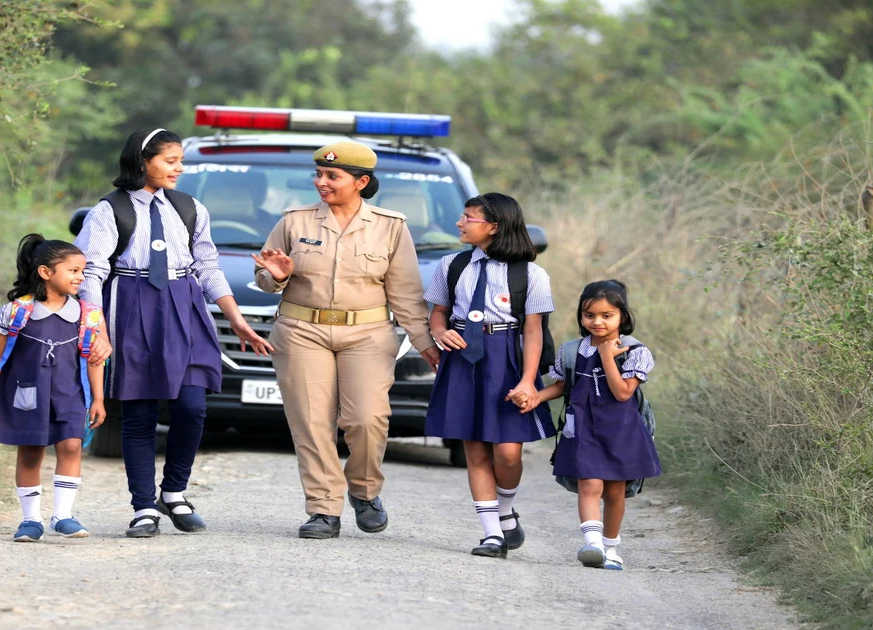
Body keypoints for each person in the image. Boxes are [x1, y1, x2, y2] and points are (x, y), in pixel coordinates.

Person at [74, 128, 273, 538]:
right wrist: (97, 329)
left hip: (185, 305)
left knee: (192, 406)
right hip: (132, 304)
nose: (179, 168)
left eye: (180, 160)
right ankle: (143, 506)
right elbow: (91, 272)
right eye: (170, 160)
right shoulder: (109, 211)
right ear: (141, 161)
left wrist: (235, 318)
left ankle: (174, 491)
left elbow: (208, 266)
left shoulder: (190, 208)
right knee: (140, 413)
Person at [253, 141, 440, 539]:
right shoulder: (294, 221)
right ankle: (323, 509)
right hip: (302, 331)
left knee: (367, 419)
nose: (321, 182)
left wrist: (426, 344)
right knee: (311, 422)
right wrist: (277, 276)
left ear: (361, 182)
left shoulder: (391, 226)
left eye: (332, 176)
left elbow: (406, 295)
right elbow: (265, 277)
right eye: (319, 174)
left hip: (367, 334)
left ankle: (365, 490)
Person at [424, 193, 555, 559]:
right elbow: (438, 313)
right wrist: (439, 331)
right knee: (475, 447)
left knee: (508, 452)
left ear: (494, 227)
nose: (460, 223)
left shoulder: (530, 274)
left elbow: (534, 331)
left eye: (468, 217)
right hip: (464, 358)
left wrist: (528, 381)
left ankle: (505, 509)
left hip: (507, 358)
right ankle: (492, 535)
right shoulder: (451, 265)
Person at [510, 279, 661, 570]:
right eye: (589, 315)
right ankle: (593, 544)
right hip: (582, 428)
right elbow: (562, 386)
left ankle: (611, 548)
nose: (597, 322)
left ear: (623, 317)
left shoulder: (635, 351)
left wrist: (606, 357)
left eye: (607, 315)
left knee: (615, 491)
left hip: (621, 432)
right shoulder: (571, 351)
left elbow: (623, 392)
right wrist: (536, 397)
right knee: (589, 484)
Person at [0, 235, 106, 542]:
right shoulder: (16, 312)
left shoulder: (88, 315)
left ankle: (63, 515)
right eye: (73, 270)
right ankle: (30, 520)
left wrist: (98, 399)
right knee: (31, 452)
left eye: (82, 271)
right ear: (46, 272)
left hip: (70, 392)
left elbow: (94, 360)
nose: (81, 277)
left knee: (71, 446)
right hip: (27, 393)